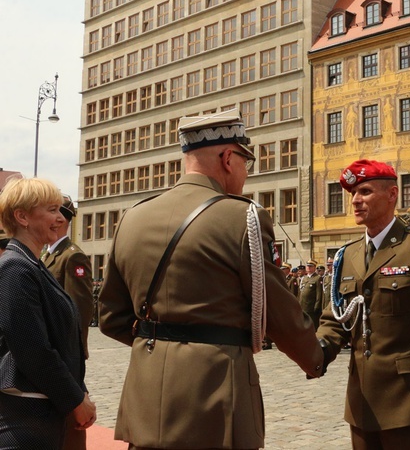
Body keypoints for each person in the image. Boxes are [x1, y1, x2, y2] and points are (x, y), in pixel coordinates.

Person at [98, 113, 324, 449]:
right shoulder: (242, 217)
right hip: (216, 402)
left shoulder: (133, 217)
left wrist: (161, 346)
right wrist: (316, 358)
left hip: (144, 402)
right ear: (228, 158)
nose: (246, 174)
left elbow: (111, 318)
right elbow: (279, 313)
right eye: (246, 162)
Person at [316, 159, 410, 449]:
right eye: (353, 194)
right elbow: (337, 318)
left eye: (366, 192)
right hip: (360, 403)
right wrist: (314, 351)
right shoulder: (349, 254)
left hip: (407, 402)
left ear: (392, 194)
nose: (356, 201)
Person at [0, 177, 96, 448]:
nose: (60, 218)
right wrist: (75, 400)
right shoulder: (16, 268)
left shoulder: (32, 264)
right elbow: (33, 349)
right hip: (26, 416)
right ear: (22, 217)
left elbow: (63, 337)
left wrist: (79, 391)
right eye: (52, 210)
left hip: (43, 411)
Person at [40, 194, 95, 450]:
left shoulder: (72, 257)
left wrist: (74, 358)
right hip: (53, 351)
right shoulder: (47, 254)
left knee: (70, 423)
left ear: (62, 219)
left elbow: (79, 313)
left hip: (65, 354)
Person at [299, 260, 324, 329]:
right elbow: (300, 292)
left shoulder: (318, 278)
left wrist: (317, 306)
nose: (308, 268)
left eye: (310, 266)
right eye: (307, 266)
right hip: (303, 305)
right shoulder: (304, 278)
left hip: (311, 306)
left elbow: (319, 293)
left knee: (312, 325)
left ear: (314, 268)